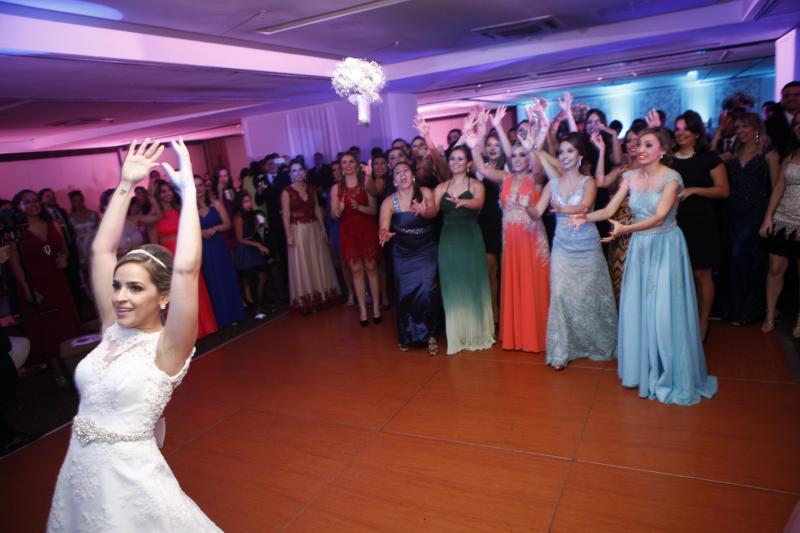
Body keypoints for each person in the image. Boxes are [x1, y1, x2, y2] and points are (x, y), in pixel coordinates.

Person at [47, 138, 221, 531]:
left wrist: (188, 196)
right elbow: (101, 252)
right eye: (118, 286)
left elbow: (186, 270)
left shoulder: (168, 348)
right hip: (78, 472)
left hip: (131, 483)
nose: (120, 297)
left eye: (136, 288)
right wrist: (125, 185)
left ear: (164, 297)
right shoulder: (112, 329)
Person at [570, 128, 716, 405]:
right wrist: (584, 218)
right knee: (640, 307)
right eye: (639, 145)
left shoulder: (672, 178)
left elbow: (660, 217)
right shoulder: (629, 177)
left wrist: (625, 229)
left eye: (648, 145)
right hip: (640, 248)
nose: (641, 149)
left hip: (666, 246)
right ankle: (643, 371)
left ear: (663, 150)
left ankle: (669, 373)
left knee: (663, 311)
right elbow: (609, 210)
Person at [527, 118, 617, 369]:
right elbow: (537, 213)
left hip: (587, 247)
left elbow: (585, 206)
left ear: (579, 156)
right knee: (560, 295)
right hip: (563, 248)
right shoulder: (552, 184)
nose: (564, 156)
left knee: (590, 296)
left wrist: (562, 209)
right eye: (561, 152)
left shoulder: (588, 182)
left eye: (569, 151)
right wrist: (526, 207)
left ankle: (597, 344)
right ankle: (561, 351)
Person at [466, 111, 549, 354]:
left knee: (533, 285)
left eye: (522, 155)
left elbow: (538, 164)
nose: (518, 159)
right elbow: (482, 168)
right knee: (514, 284)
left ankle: (538, 336)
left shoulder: (536, 178)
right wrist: (474, 145)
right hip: (511, 241)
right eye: (514, 155)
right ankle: (518, 336)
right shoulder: (505, 177)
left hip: (531, 239)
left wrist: (531, 146)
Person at [671, 111, 729, 341]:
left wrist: (694, 190)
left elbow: (723, 190)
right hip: (674, 223)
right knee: (679, 274)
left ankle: (703, 321)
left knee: (702, 273)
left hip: (702, 222)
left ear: (696, 132)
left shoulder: (709, 158)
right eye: (677, 128)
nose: (680, 132)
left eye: (685, 128)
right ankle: (683, 321)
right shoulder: (668, 157)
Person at [432, 145, 494, 354]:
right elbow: (433, 211)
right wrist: (423, 209)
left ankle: (477, 332)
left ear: (468, 163)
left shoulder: (476, 184)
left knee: (473, 281)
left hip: (470, 237)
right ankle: (457, 334)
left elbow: (478, 203)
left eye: (460, 158)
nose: (456, 162)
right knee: (453, 284)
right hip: (449, 240)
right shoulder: (440, 188)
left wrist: (462, 202)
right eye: (452, 158)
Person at [8, 190, 82, 365]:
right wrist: (27, 289)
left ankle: (73, 364)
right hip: (34, 284)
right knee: (45, 329)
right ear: (19, 206)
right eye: (27, 202)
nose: (33, 204)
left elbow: (63, 249)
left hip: (57, 281)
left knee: (65, 324)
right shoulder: (15, 232)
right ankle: (55, 368)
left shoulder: (52, 223)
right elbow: (14, 263)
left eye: (35, 200)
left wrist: (64, 258)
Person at [723, 113, 780, 326]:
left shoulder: (768, 153)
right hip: (732, 212)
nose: (740, 130)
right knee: (735, 259)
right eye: (737, 127)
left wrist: (770, 216)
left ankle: (750, 309)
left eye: (744, 126)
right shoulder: (733, 152)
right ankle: (736, 309)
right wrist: (719, 131)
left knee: (746, 257)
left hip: (756, 212)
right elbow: (709, 157)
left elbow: (777, 187)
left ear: (756, 128)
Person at [379, 162, 440, 355]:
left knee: (427, 291)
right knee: (405, 293)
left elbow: (434, 212)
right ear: (394, 180)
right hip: (403, 252)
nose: (402, 174)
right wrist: (384, 233)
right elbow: (383, 226)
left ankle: (430, 334)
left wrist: (424, 210)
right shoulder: (389, 202)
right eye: (397, 172)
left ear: (412, 175)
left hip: (426, 250)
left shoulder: (425, 192)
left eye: (405, 170)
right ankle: (406, 335)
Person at [155, 180, 218, 338]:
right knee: (179, 293)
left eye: (169, 190)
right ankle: (187, 333)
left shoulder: (180, 209)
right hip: (169, 255)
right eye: (163, 191)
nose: (167, 193)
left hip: (186, 251)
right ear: (157, 195)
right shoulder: (155, 216)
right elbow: (154, 243)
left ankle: (205, 327)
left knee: (195, 289)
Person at [281, 160, 340, 313]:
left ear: (305, 171)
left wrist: (323, 228)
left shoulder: (312, 188)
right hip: (297, 231)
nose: (298, 173)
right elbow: (286, 214)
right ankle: (308, 299)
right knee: (303, 264)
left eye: (300, 169)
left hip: (314, 228)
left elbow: (317, 209)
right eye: (294, 170)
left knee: (317, 261)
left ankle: (322, 295)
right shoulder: (286, 192)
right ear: (290, 174)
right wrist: (288, 235)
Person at [760, 114, 800, 335]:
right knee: (775, 269)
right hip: (783, 217)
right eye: (796, 124)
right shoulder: (790, 155)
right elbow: (778, 188)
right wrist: (768, 216)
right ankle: (770, 313)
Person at [331, 152, 382, 326]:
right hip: (348, 232)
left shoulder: (365, 183)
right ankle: (362, 310)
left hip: (366, 229)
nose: (348, 165)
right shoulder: (336, 188)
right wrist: (338, 209)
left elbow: (374, 210)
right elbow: (334, 214)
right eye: (344, 162)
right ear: (341, 166)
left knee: (371, 267)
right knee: (356, 270)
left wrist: (359, 207)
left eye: (351, 161)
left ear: (357, 164)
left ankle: (376, 307)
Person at [195, 176, 246, 328]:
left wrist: (216, 228)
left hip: (218, 246)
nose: (198, 189)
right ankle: (219, 318)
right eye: (194, 186)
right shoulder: (189, 209)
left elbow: (228, 224)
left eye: (200, 185)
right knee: (211, 282)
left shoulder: (216, 204)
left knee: (225, 278)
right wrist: (199, 232)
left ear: (205, 187)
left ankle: (234, 314)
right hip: (204, 249)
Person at [233, 192, 272, 318]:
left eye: (249, 201)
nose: (248, 204)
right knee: (251, 279)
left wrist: (258, 224)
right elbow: (240, 239)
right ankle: (257, 307)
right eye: (245, 201)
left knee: (262, 275)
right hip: (245, 249)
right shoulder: (238, 217)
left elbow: (252, 232)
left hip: (252, 246)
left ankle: (259, 306)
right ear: (240, 203)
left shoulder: (250, 214)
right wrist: (258, 245)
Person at [67, 190, 100, 297]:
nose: (78, 203)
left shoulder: (93, 214)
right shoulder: (69, 218)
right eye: (75, 200)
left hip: (94, 245)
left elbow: (101, 230)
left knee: (99, 269)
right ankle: (92, 296)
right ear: (71, 202)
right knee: (86, 272)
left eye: (80, 200)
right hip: (80, 247)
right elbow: (70, 235)